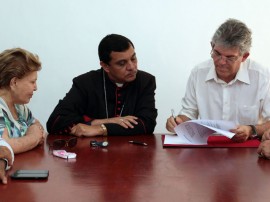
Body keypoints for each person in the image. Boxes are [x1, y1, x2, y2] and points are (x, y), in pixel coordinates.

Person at [166, 19, 270, 142]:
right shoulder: (198, 73)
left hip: (247, 148)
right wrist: (178, 122)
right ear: (212, 46)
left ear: (244, 57)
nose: (221, 62)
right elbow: (189, 112)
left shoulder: (262, 76)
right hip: (208, 148)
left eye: (230, 57)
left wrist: (251, 129)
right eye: (217, 53)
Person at [47, 34, 157, 136]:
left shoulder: (145, 81)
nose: (132, 67)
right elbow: (55, 122)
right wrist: (105, 121)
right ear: (105, 66)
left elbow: (147, 124)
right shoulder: (85, 83)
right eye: (122, 63)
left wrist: (101, 128)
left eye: (133, 58)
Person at [0, 48, 46, 154]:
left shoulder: (19, 106)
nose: (36, 88)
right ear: (14, 82)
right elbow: (4, 148)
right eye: (32, 82)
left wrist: (33, 135)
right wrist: (33, 137)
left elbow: (39, 128)